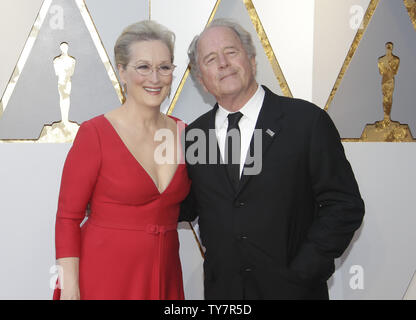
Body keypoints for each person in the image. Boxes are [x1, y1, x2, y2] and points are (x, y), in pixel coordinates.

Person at [179, 19, 365, 299]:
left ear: (252, 60)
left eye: (231, 51)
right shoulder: (194, 135)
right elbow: (185, 206)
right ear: (201, 79)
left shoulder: (306, 122)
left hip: (294, 292)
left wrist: (305, 269)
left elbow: (344, 205)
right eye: (210, 58)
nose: (223, 63)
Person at [53, 20, 190, 300]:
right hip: (103, 278)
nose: (155, 78)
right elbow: (67, 219)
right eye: (143, 67)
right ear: (122, 72)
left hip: (163, 277)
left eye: (164, 67)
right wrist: (69, 290)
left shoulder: (185, 133)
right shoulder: (96, 134)